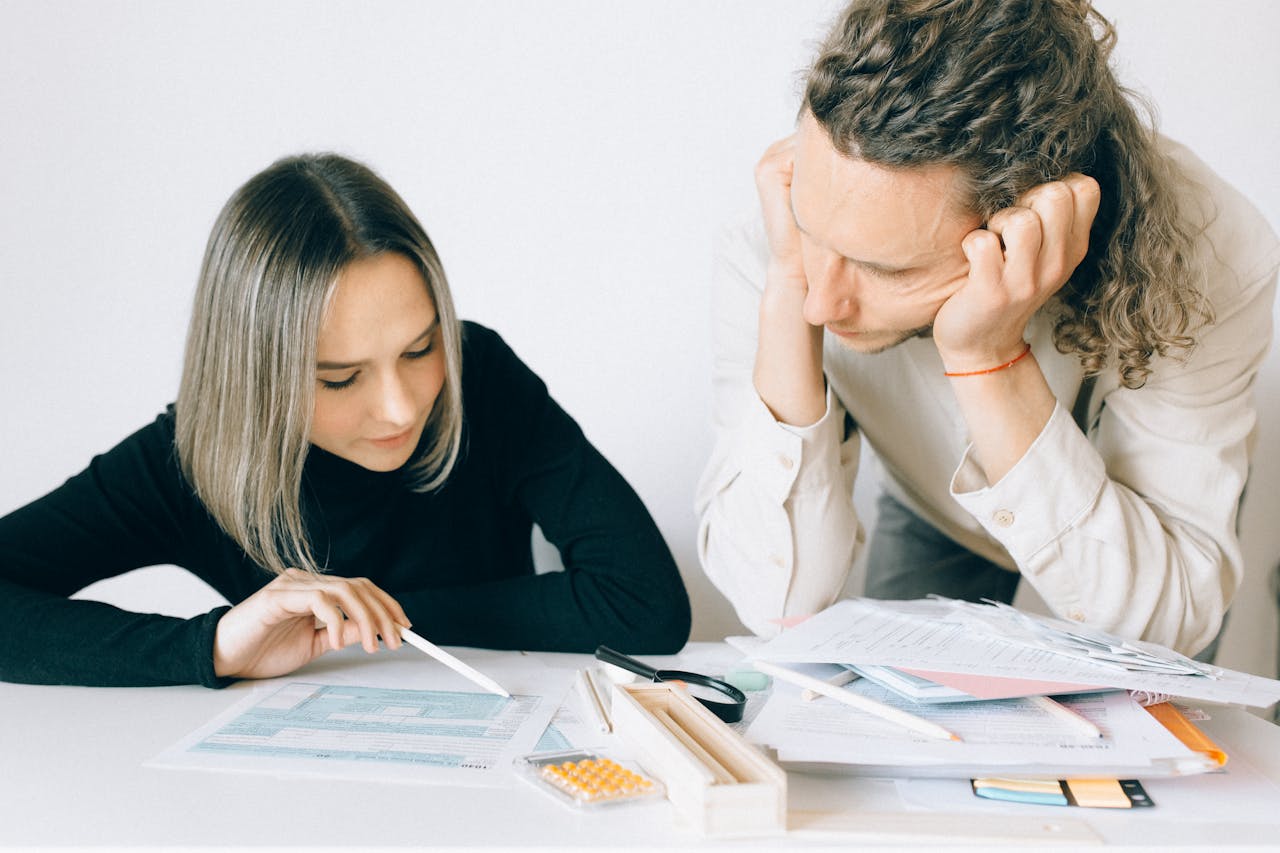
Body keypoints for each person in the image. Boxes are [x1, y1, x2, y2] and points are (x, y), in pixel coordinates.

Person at [696, 0, 1279, 657]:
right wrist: (783, 288)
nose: (822, 305)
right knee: (899, 706)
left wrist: (988, 359)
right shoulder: (774, 243)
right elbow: (777, 606)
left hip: (1135, 529)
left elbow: (1167, 628)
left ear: (1022, 220)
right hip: (930, 503)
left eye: (886, 270)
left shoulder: (1212, 254)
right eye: (811, 234)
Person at [0, 153, 690, 687]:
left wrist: (373, 621)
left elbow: (645, 605)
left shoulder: (479, 375)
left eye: (419, 349)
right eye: (339, 377)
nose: (400, 408)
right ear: (255, 377)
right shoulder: (186, 458)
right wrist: (215, 645)